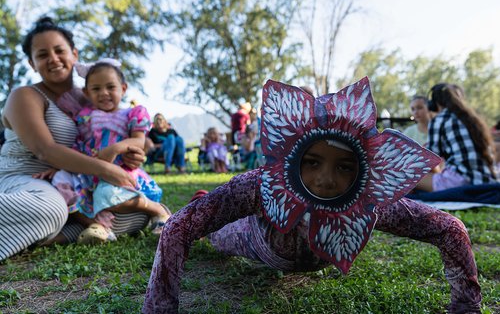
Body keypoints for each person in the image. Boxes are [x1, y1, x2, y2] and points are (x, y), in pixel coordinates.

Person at [143, 78, 482, 314]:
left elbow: (449, 228)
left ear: (365, 170)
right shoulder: (260, 186)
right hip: (252, 239)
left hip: (301, 252)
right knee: (214, 230)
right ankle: (201, 196)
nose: (326, 179)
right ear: (292, 156)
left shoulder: (372, 202)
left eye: (344, 167)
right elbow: (180, 228)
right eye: (313, 162)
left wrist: (466, 307)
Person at [0, 17, 150, 260]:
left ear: (75, 54)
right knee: (51, 208)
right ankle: (59, 226)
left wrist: (132, 152)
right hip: (24, 180)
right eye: (42, 54)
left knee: (136, 213)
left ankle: (60, 232)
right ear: (32, 62)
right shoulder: (25, 96)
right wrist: (105, 169)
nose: (54, 59)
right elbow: (44, 150)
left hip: (74, 182)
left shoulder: (91, 97)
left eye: (60, 50)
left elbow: (117, 133)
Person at [34, 60, 170, 242]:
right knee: (60, 182)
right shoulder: (85, 117)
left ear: (123, 88)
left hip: (120, 170)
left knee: (106, 194)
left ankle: (157, 210)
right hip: (90, 169)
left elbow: (139, 140)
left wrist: (114, 149)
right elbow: (80, 145)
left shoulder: (132, 114)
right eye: (96, 89)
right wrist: (61, 168)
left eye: (110, 87)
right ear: (86, 93)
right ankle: (97, 226)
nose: (104, 93)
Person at [416, 83, 498, 192]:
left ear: (434, 103)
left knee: (409, 178)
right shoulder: (473, 119)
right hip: (487, 180)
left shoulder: (440, 119)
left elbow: (429, 159)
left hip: (460, 182)